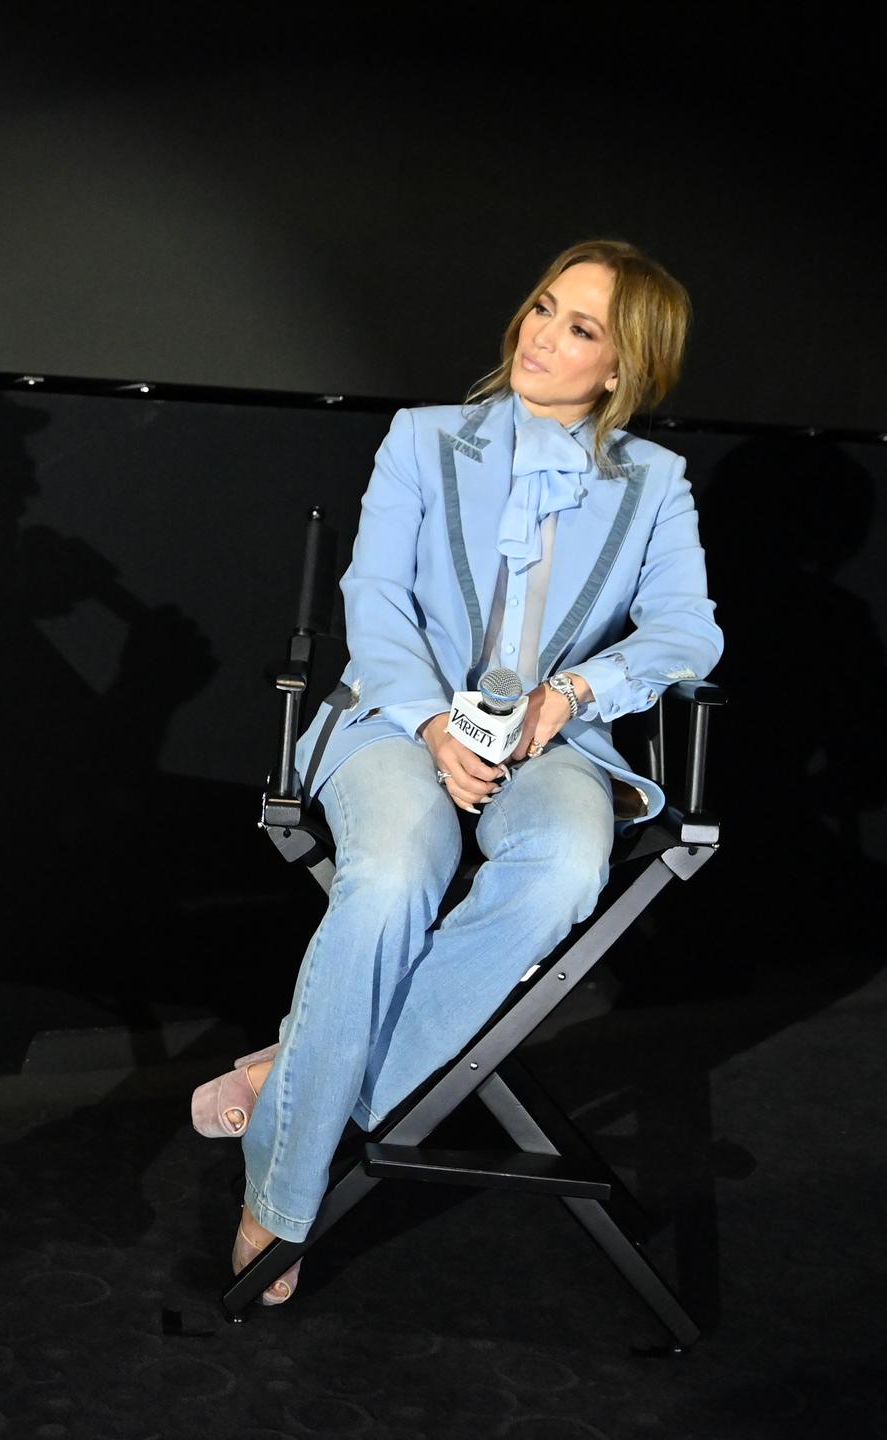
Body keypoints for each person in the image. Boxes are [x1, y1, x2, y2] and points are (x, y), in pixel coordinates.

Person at [189, 240, 722, 1304]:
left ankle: (294, 1078)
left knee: (569, 866)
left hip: (551, 739)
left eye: (580, 328)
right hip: (396, 716)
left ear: (621, 368)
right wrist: (435, 723)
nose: (541, 335)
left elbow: (685, 631)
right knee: (390, 874)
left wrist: (570, 698)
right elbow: (376, 598)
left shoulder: (656, 484)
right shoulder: (424, 440)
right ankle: (282, 1195)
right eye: (541, 306)